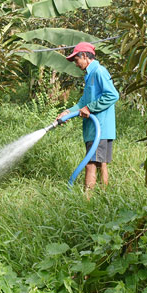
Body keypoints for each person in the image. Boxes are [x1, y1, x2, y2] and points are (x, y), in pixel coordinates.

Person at [57, 41, 119, 194]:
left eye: (76, 60)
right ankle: (106, 198)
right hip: (98, 128)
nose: (76, 64)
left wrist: (89, 108)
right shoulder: (90, 75)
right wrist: (67, 112)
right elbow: (83, 102)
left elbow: (112, 95)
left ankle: (87, 201)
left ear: (84, 56)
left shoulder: (98, 71)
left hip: (100, 127)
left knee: (90, 163)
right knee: (101, 163)